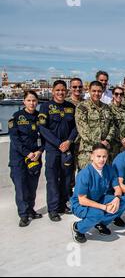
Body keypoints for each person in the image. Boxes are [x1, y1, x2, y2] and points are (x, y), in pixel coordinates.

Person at [70, 143, 125, 243]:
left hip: (98, 199)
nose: (101, 159)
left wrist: (117, 198)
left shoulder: (108, 169)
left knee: (124, 202)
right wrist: (104, 207)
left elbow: (117, 188)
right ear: (92, 157)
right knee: (98, 213)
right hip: (81, 204)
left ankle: (101, 223)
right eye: (98, 156)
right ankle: (78, 228)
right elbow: (82, 200)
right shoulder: (84, 174)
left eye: (104, 156)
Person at [38, 80, 78, 221]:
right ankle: (53, 209)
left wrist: (68, 142)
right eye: (58, 90)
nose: (61, 92)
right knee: (53, 179)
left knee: (66, 179)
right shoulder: (45, 107)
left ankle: (62, 204)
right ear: (53, 91)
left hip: (67, 149)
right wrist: (58, 143)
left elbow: (75, 127)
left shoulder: (70, 107)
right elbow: (43, 129)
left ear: (66, 91)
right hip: (52, 150)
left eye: (63, 90)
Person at [9, 91, 44, 227]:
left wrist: (40, 151)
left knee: (32, 186)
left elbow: (45, 136)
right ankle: (23, 215)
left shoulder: (40, 117)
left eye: (34, 100)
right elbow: (15, 139)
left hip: (35, 157)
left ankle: (30, 209)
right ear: (24, 101)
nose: (32, 103)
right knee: (21, 187)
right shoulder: (16, 117)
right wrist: (27, 153)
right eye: (29, 100)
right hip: (19, 159)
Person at [75, 81, 116, 169]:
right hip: (88, 151)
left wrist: (107, 140)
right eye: (94, 91)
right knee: (86, 179)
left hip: (104, 151)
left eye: (99, 91)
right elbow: (83, 130)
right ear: (89, 91)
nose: (96, 93)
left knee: (103, 179)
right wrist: (100, 143)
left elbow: (112, 126)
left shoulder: (106, 108)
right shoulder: (82, 107)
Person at [110, 86, 125, 159]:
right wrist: (120, 138)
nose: (119, 96)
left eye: (121, 94)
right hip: (113, 142)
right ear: (113, 95)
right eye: (116, 94)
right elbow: (110, 125)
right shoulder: (108, 108)